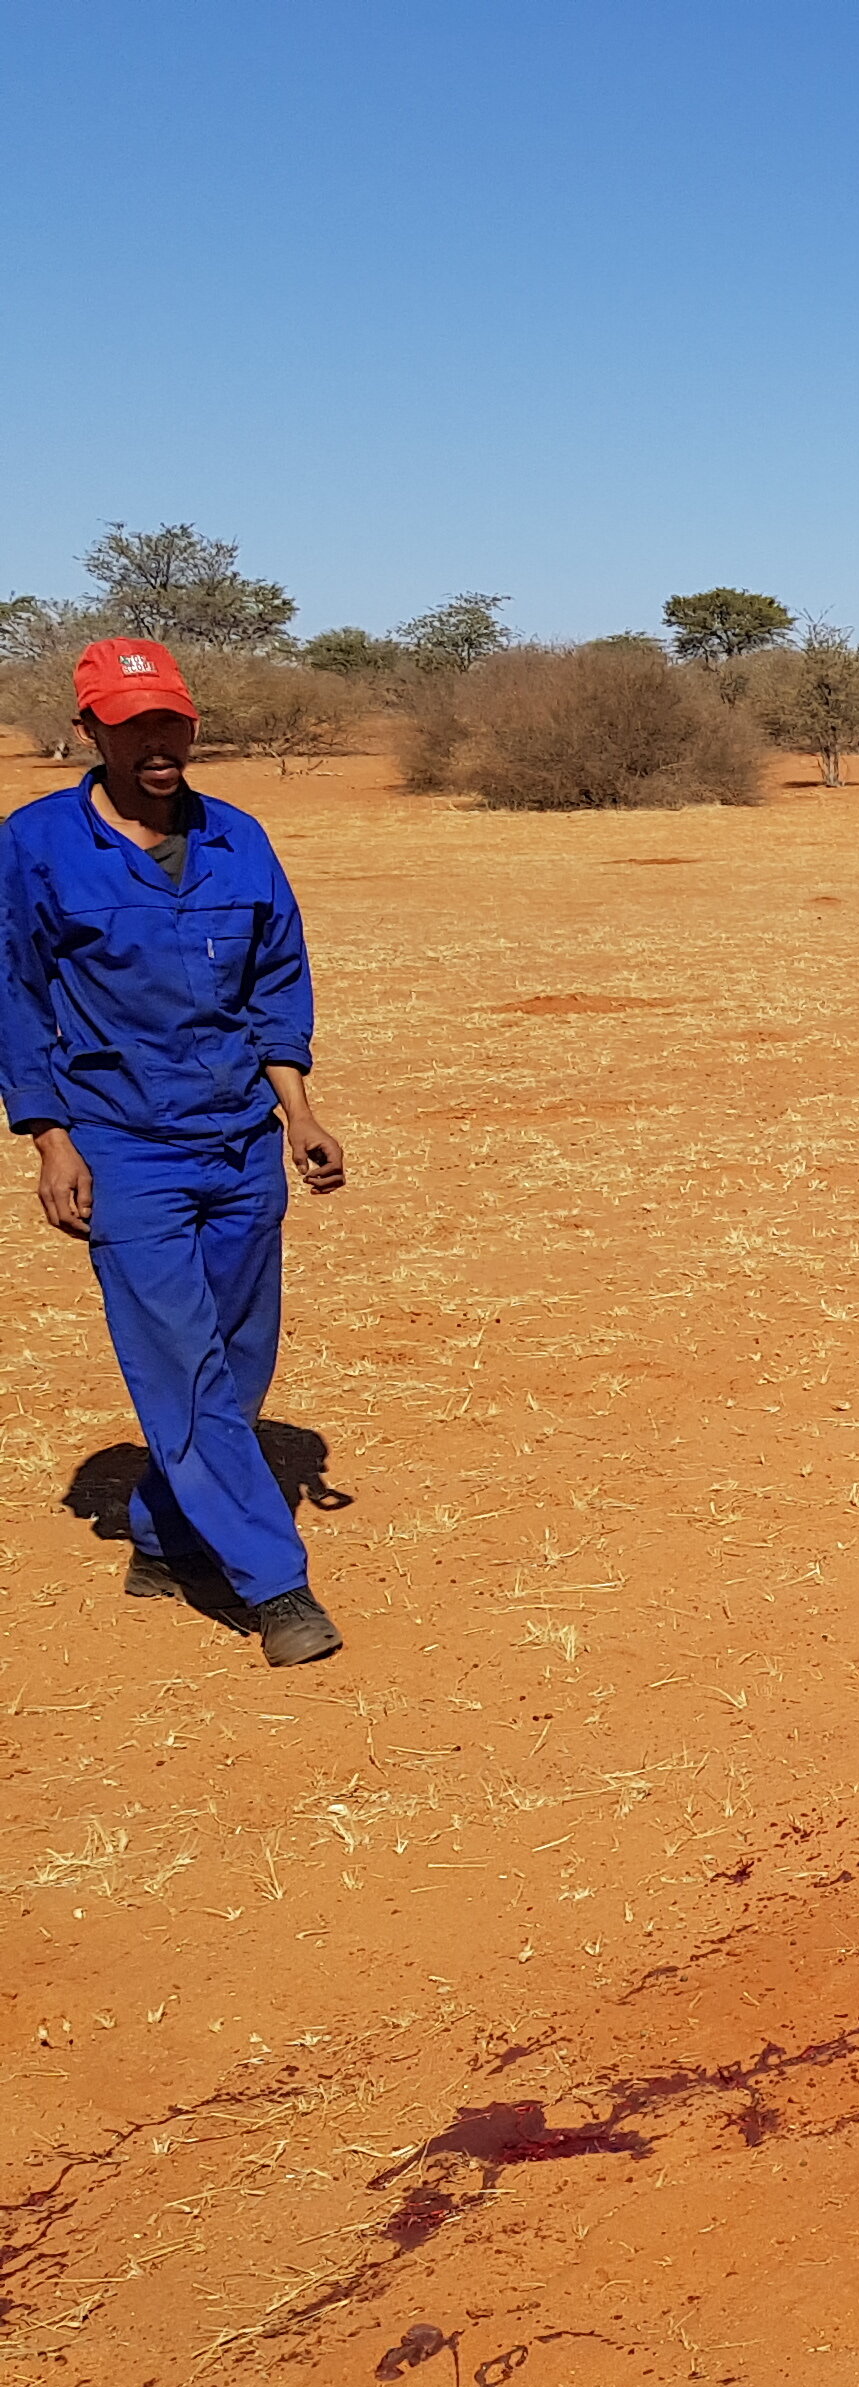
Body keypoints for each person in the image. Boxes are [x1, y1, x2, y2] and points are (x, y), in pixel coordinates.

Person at [5, 637, 349, 1665]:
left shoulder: (240, 840)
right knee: (180, 1361)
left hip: (240, 1138)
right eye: (131, 723)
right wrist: (49, 1140)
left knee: (238, 1361)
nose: (158, 742)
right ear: (90, 731)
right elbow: (15, 1000)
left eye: (172, 722)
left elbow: (276, 983)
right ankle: (274, 1586)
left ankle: (163, 1531)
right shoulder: (33, 846)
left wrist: (301, 1115)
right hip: (122, 1145)